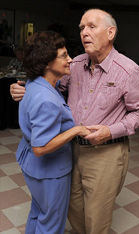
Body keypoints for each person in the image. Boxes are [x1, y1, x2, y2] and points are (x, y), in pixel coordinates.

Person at [10, 9, 139, 234]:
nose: (84, 32)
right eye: (81, 28)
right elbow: (53, 87)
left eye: (91, 27)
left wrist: (110, 131)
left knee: (96, 219)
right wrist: (25, 87)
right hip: (69, 148)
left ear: (111, 32)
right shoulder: (75, 64)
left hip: (106, 152)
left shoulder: (128, 70)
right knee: (72, 209)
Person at [17, 31, 91, 233]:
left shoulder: (36, 83)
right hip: (50, 172)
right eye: (64, 56)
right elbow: (40, 147)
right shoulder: (47, 100)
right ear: (47, 62)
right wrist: (76, 130)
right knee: (51, 223)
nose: (70, 60)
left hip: (32, 167)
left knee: (38, 211)